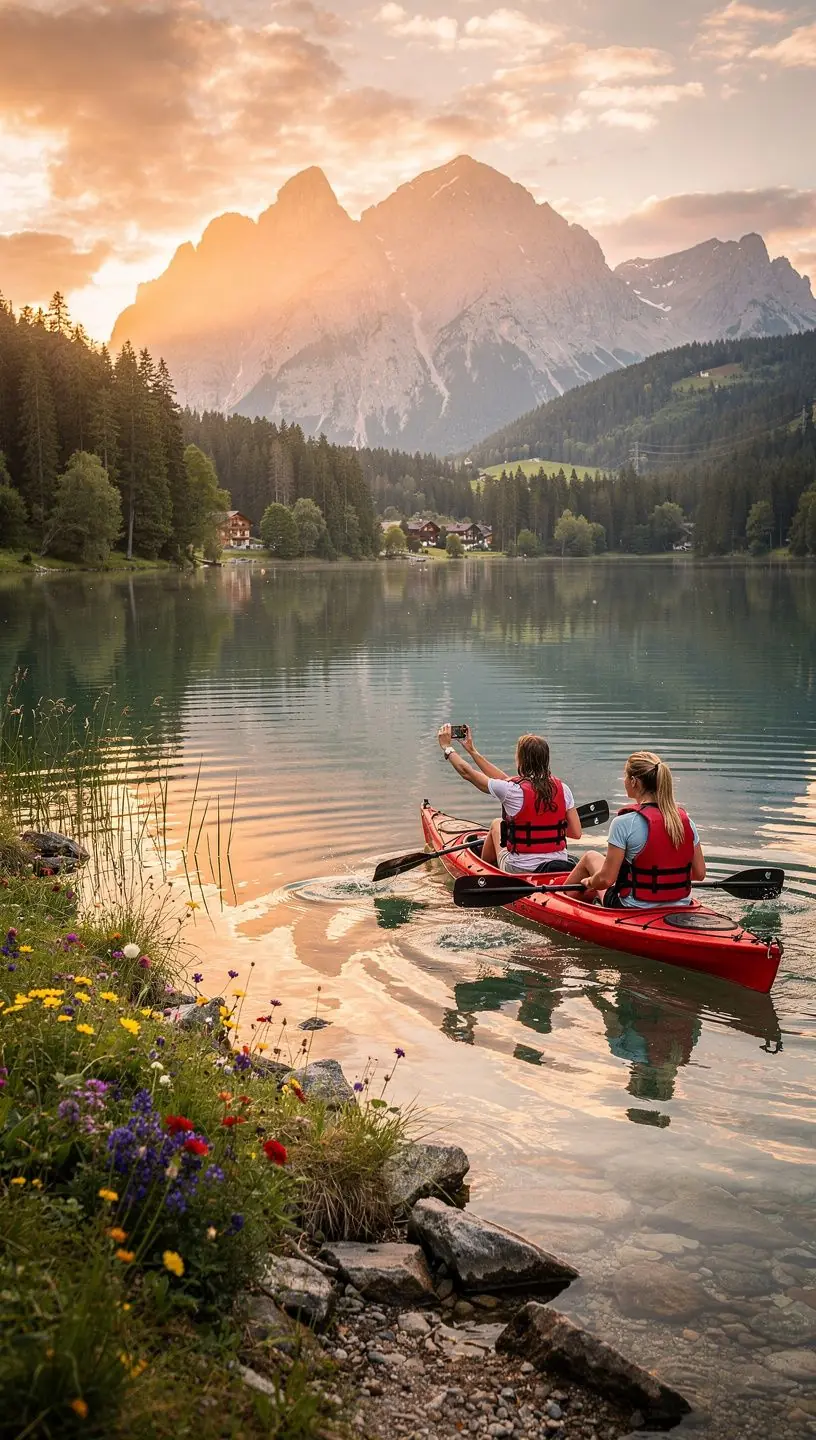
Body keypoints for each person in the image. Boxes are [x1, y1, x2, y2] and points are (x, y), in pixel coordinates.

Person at [563, 750, 705, 907]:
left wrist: (589, 881)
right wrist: (665, 881)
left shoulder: (624, 823)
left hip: (631, 906)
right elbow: (699, 874)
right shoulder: (686, 822)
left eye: (625, 776)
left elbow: (605, 880)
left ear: (634, 782)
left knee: (590, 856)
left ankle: (559, 902)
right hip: (681, 904)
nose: (624, 781)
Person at [436, 724, 582, 874]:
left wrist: (447, 747)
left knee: (496, 824)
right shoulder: (563, 790)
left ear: (521, 759)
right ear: (546, 760)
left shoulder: (513, 791)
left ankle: (483, 872)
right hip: (559, 866)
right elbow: (576, 833)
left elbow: (467, 773)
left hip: (520, 868)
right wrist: (472, 751)